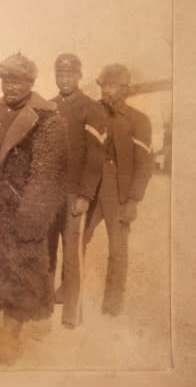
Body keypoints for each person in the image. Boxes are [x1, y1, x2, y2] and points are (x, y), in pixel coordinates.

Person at [0, 53, 66, 365]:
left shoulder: (46, 120)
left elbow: (49, 175)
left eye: (18, 81)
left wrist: (32, 216)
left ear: (30, 83)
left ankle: (11, 335)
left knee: (18, 274)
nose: (11, 87)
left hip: (20, 212)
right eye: (6, 80)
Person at [83, 63, 152, 317]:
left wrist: (134, 200)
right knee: (79, 239)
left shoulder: (139, 120)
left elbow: (144, 164)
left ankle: (112, 305)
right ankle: (72, 294)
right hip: (92, 187)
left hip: (120, 190)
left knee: (118, 249)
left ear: (125, 89)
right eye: (103, 85)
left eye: (112, 86)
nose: (106, 91)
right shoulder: (92, 113)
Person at [49, 53, 107, 328]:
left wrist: (85, 195)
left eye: (69, 74)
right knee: (47, 251)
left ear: (79, 75)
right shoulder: (48, 106)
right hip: (50, 195)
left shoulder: (91, 108)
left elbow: (95, 158)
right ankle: (44, 304)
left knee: (72, 255)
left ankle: (72, 313)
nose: (64, 79)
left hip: (75, 194)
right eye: (60, 74)